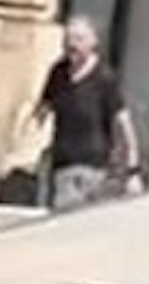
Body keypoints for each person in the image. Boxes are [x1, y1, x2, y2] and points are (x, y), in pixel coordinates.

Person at [33, 16, 142, 211]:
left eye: (78, 39)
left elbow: (123, 125)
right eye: (68, 39)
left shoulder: (104, 79)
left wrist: (132, 170)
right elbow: (43, 109)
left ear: (93, 43)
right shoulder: (58, 73)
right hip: (63, 164)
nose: (71, 45)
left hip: (95, 167)